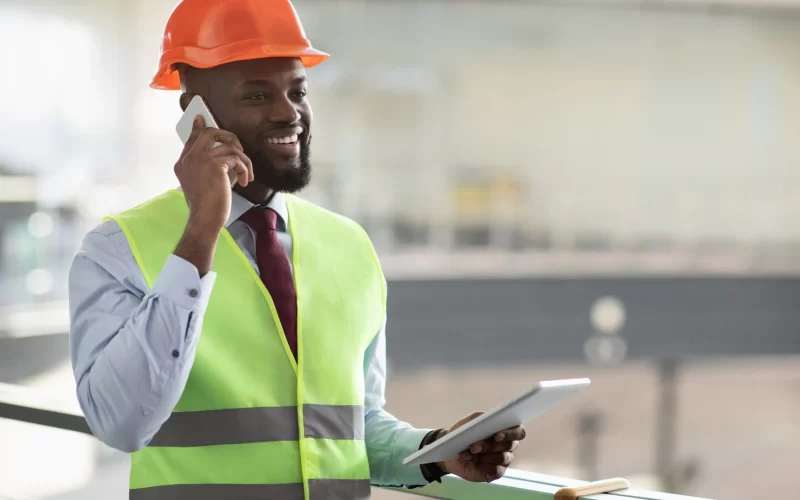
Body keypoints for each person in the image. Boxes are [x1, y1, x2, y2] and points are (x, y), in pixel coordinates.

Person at [68, 1, 526, 498]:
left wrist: (438, 451)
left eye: (297, 91)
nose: (288, 112)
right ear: (196, 114)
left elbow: (351, 428)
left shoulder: (349, 246)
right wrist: (201, 230)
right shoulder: (117, 250)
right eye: (258, 94)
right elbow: (119, 423)